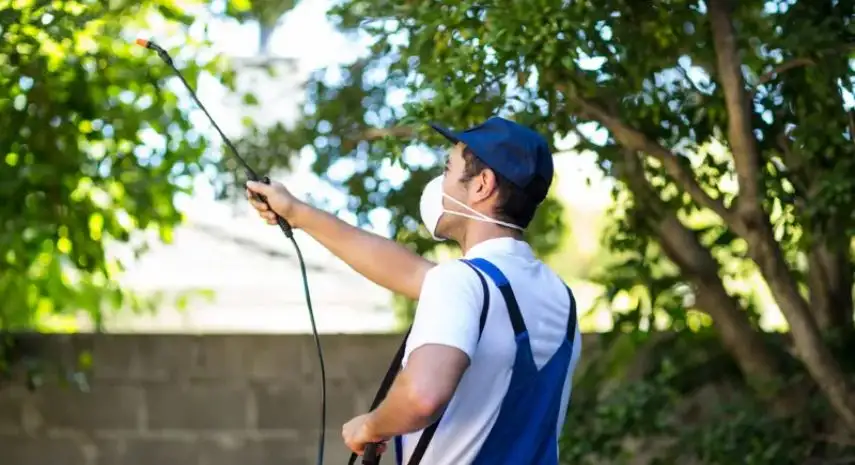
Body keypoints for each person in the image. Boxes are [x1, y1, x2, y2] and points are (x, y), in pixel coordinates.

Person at [245, 116, 581, 465]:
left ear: (482, 185)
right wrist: (296, 212)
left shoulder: (463, 284)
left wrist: (372, 426)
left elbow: (423, 395)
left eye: (448, 168)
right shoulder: (559, 298)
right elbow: (408, 272)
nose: (440, 182)